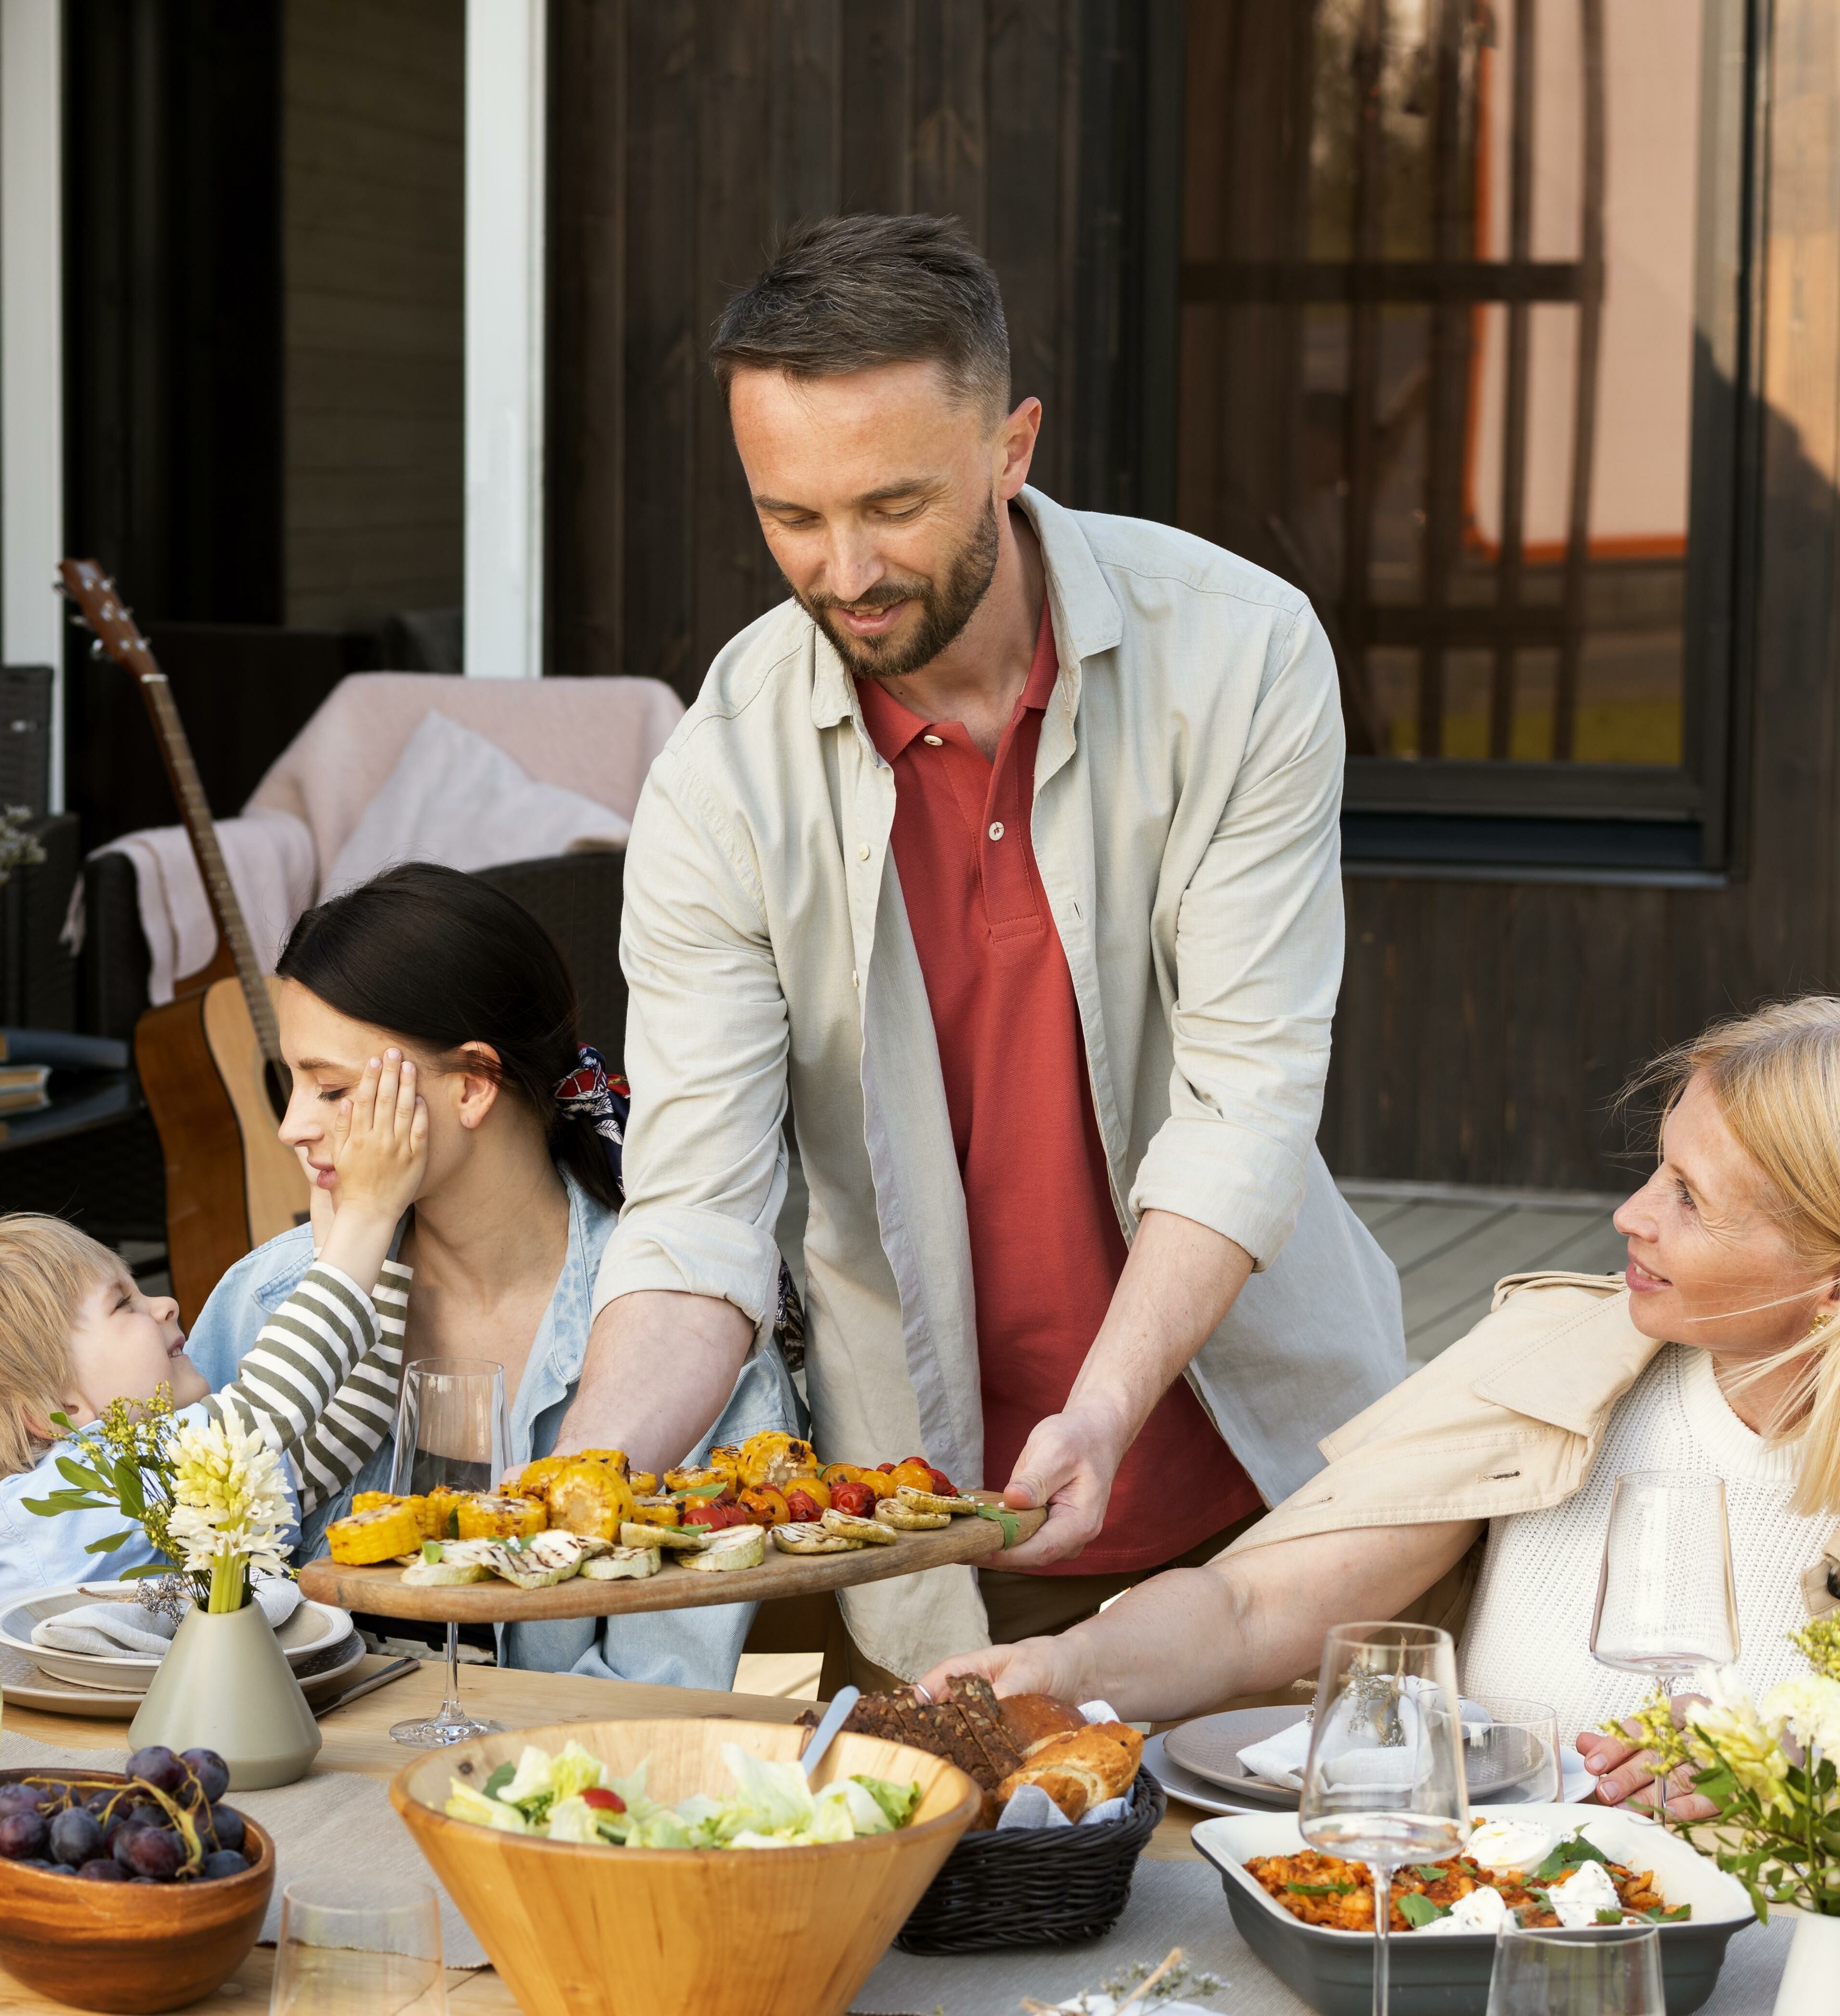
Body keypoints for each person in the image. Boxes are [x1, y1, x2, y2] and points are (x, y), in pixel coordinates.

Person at [558, 211, 1405, 1683]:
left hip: (1275, 1489)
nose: (842, 571)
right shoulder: (719, 773)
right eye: (789, 517)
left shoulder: (1241, 654)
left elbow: (1242, 1109)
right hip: (950, 1530)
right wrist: (566, 1486)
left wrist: (1102, 1405)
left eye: (891, 505)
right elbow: (696, 1215)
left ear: (1012, 447)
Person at [920, 997, 1840, 1799]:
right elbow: (1250, 1609)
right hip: (1465, 1934)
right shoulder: (1555, 1363)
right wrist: (1066, 1664)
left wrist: (1796, 1797)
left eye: (1687, 1198)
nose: (1627, 1214)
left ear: (1839, 1278)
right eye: (1654, 1168)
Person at [185, 863, 802, 1690]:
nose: (294, 1126)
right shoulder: (264, 1303)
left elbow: (656, 1689)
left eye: (331, 1089)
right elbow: (172, 1593)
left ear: (472, 1083)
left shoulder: (685, 1341)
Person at [0, 1053, 428, 1612]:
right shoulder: (67, 1495)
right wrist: (369, 1211)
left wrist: (346, 1205)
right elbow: (272, 1406)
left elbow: (334, 1439)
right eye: (123, 1303)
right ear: (57, 1405)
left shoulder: (129, 1487)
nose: (166, 1304)